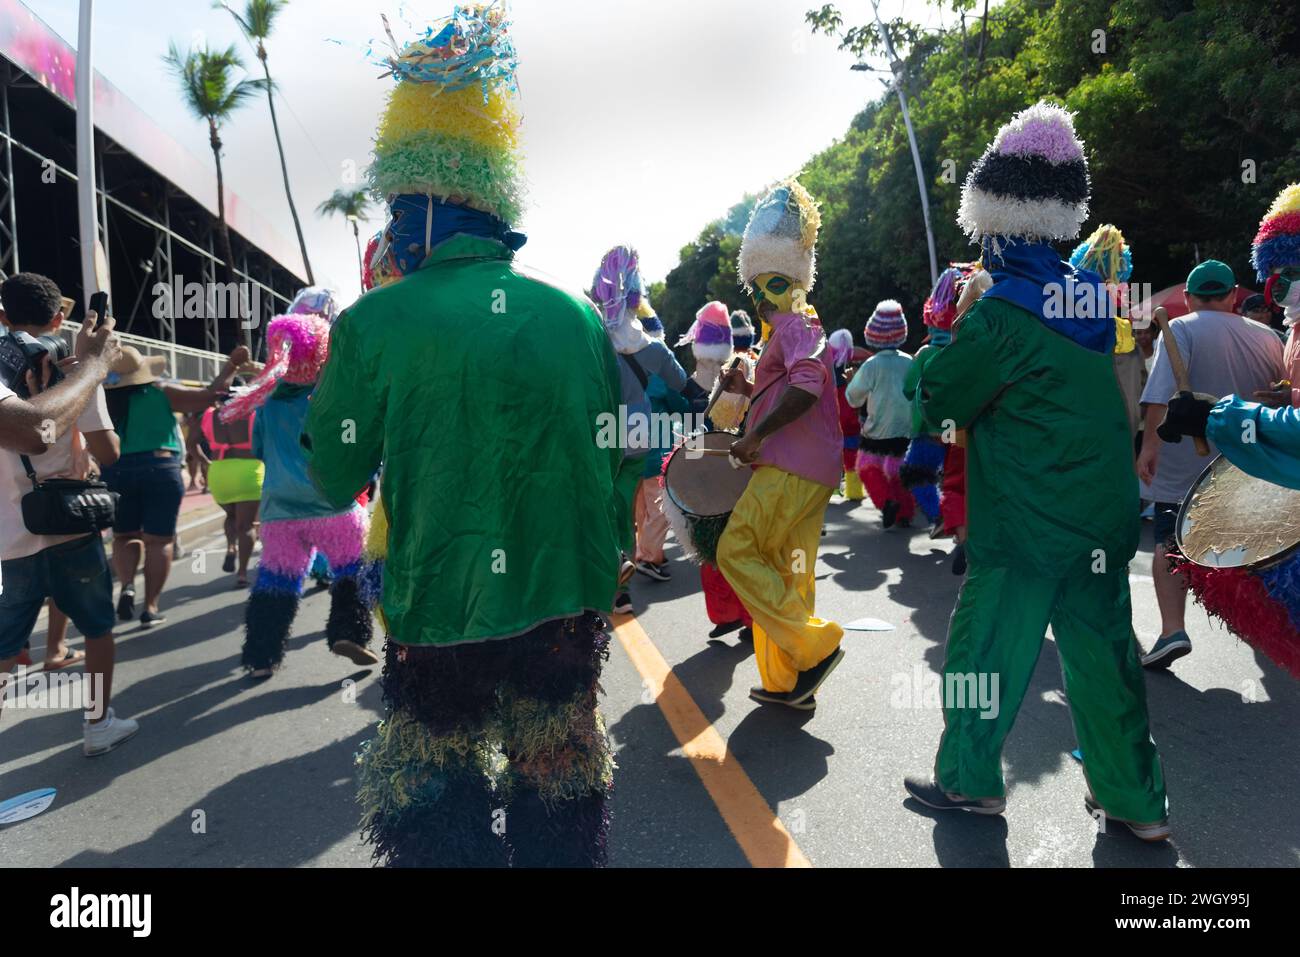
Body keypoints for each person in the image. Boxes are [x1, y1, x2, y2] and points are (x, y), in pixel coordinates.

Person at [302, 6, 623, 867]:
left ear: (419, 214)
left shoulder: (373, 324)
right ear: (494, 205)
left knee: (435, 800)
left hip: (440, 606)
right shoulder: (580, 317)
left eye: (400, 212)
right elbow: (615, 457)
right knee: (559, 779)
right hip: (563, 602)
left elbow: (331, 476)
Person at [902, 101, 1169, 840]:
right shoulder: (1093, 301)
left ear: (995, 222)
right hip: (1103, 520)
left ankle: (968, 781)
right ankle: (1136, 803)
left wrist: (939, 340)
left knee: (982, 654)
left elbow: (938, 403)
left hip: (1025, 529)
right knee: (1105, 666)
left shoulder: (1000, 312)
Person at [715, 177, 845, 710]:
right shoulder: (790, 330)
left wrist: (753, 438)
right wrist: (747, 394)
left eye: (767, 285)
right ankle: (788, 681)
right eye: (755, 287)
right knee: (789, 571)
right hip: (807, 468)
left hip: (790, 467)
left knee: (737, 551)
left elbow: (808, 385)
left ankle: (813, 647)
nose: (758, 298)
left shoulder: (797, 322)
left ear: (788, 281)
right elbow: (789, 383)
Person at [0, 272, 137, 753]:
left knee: (5, 648)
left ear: (3, 316)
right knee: (97, 628)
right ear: (60, 317)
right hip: (70, 525)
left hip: (9, 537)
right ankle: (98, 724)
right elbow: (111, 451)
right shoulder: (79, 370)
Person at [1136, 259, 1284, 669]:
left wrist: (1149, 448)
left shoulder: (1179, 328)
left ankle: (1171, 631)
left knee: (1170, 540)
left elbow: (1159, 397)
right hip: (1249, 462)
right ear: (1234, 295)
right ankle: (1265, 626)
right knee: (1252, 546)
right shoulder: (1269, 336)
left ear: (1188, 297)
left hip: (1185, 465)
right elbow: (1282, 396)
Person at [219, 308, 377, 678]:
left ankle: (261, 657)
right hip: (332, 506)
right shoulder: (332, 399)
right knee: (353, 570)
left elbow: (259, 450)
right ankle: (349, 632)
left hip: (279, 511)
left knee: (277, 581)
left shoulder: (269, 403)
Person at [592, 245, 706, 614]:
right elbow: (689, 390)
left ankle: (606, 578)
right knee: (627, 513)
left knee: (608, 513)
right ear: (637, 301)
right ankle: (620, 589)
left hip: (599, 443)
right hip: (640, 441)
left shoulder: (591, 346)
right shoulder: (653, 349)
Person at [103, 343, 248, 627]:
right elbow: (209, 396)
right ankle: (151, 607)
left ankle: (128, 585)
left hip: (117, 470)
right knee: (159, 541)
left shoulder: (104, 400)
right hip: (160, 467)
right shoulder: (161, 392)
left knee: (123, 536)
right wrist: (231, 365)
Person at [903, 269, 965, 535]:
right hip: (961, 430)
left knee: (914, 474)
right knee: (957, 481)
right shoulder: (965, 351)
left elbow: (908, 389)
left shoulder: (926, 353)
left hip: (929, 430)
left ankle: (940, 516)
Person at [630, 304, 688, 582]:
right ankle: (649, 557)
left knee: (642, 507)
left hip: (626, 444)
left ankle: (646, 555)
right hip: (655, 448)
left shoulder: (621, 367)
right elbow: (680, 401)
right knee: (663, 508)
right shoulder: (658, 375)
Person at [847, 300, 915, 529]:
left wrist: (852, 388)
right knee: (897, 470)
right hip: (906, 428)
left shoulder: (871, 365)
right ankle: (905, 511)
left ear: (873, 332)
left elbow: (853, 396)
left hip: (878, 429)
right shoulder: (909, 362)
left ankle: (887, 502)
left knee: (867, 467)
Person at [201, 399, 261, 586]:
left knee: (231, 515)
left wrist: (205, 462)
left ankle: (230, 547)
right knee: (247, 526)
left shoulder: (211, 414)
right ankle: (242, 573)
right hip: (249, 471)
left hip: (219, 471)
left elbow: (191, 443)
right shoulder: (254, 413)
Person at [828, 328, 864, 502]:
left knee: (832, 455)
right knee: (852, 454)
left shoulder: (826, 366)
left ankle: (831, 489)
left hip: (833, 416)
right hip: (849, 416)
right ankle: (855, 490)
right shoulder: (849, 368)